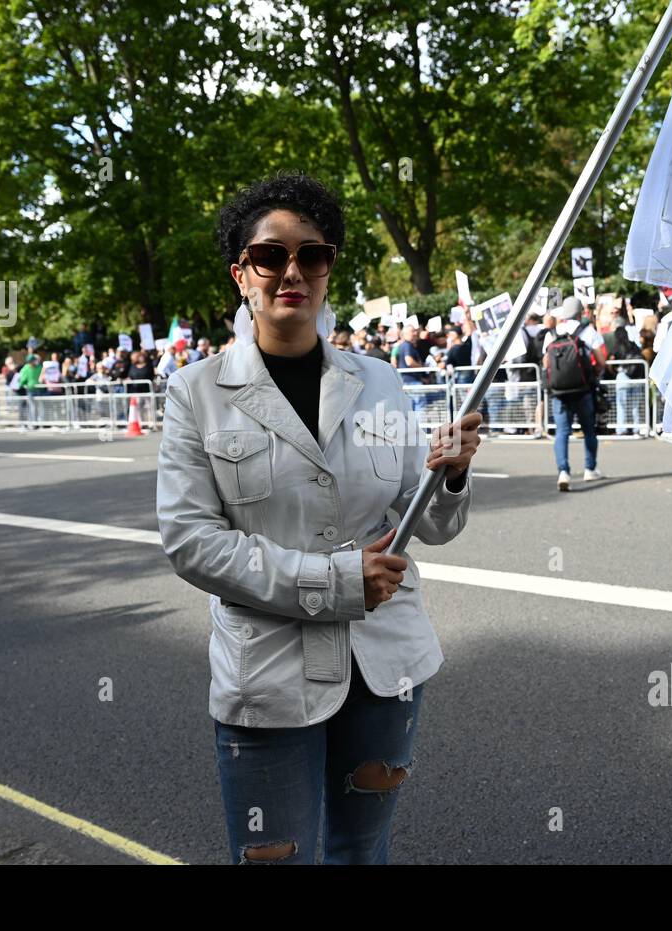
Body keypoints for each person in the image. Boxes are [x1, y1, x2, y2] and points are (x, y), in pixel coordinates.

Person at [156, 171, 482, 865]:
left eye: (313, 254)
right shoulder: (197, 392)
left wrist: (448, 476)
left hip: (387, 660)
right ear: (242, 274)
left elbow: (420, 520)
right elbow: (190, 542)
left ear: (330, 266)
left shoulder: (379, 380)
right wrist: (334, 581)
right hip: (269, 677)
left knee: (363, 853)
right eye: (271, 257)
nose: (292, 271)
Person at [542, 296, 604, 489]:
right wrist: (594, 374)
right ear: (580, 312)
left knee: (562, 432)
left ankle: (563, 472)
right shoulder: (588, 331)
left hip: (559, 391)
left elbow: (546, 363)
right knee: (588, 431)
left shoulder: (551, 333)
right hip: (583, 389)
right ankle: (589, 469)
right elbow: (601, 360)